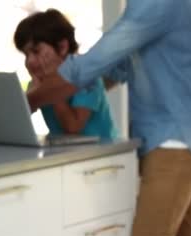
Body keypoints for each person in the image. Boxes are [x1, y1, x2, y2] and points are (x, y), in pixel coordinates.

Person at [26, 0, 191, 236]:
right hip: (175, 138)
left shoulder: (158, 3)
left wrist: (27, 102)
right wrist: (70, 88)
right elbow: (117, 67)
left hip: (174, 140)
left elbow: (91, 66)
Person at [14, 9, 116, 139]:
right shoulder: (38, 82)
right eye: (26, 55)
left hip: (103, 153)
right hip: (66, 152)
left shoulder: (87, 77)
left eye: (36, 51)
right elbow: (17, 119)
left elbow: (73, 128)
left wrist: (49, 90)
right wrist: (33, 93)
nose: (30, 61)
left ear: (62, 47)